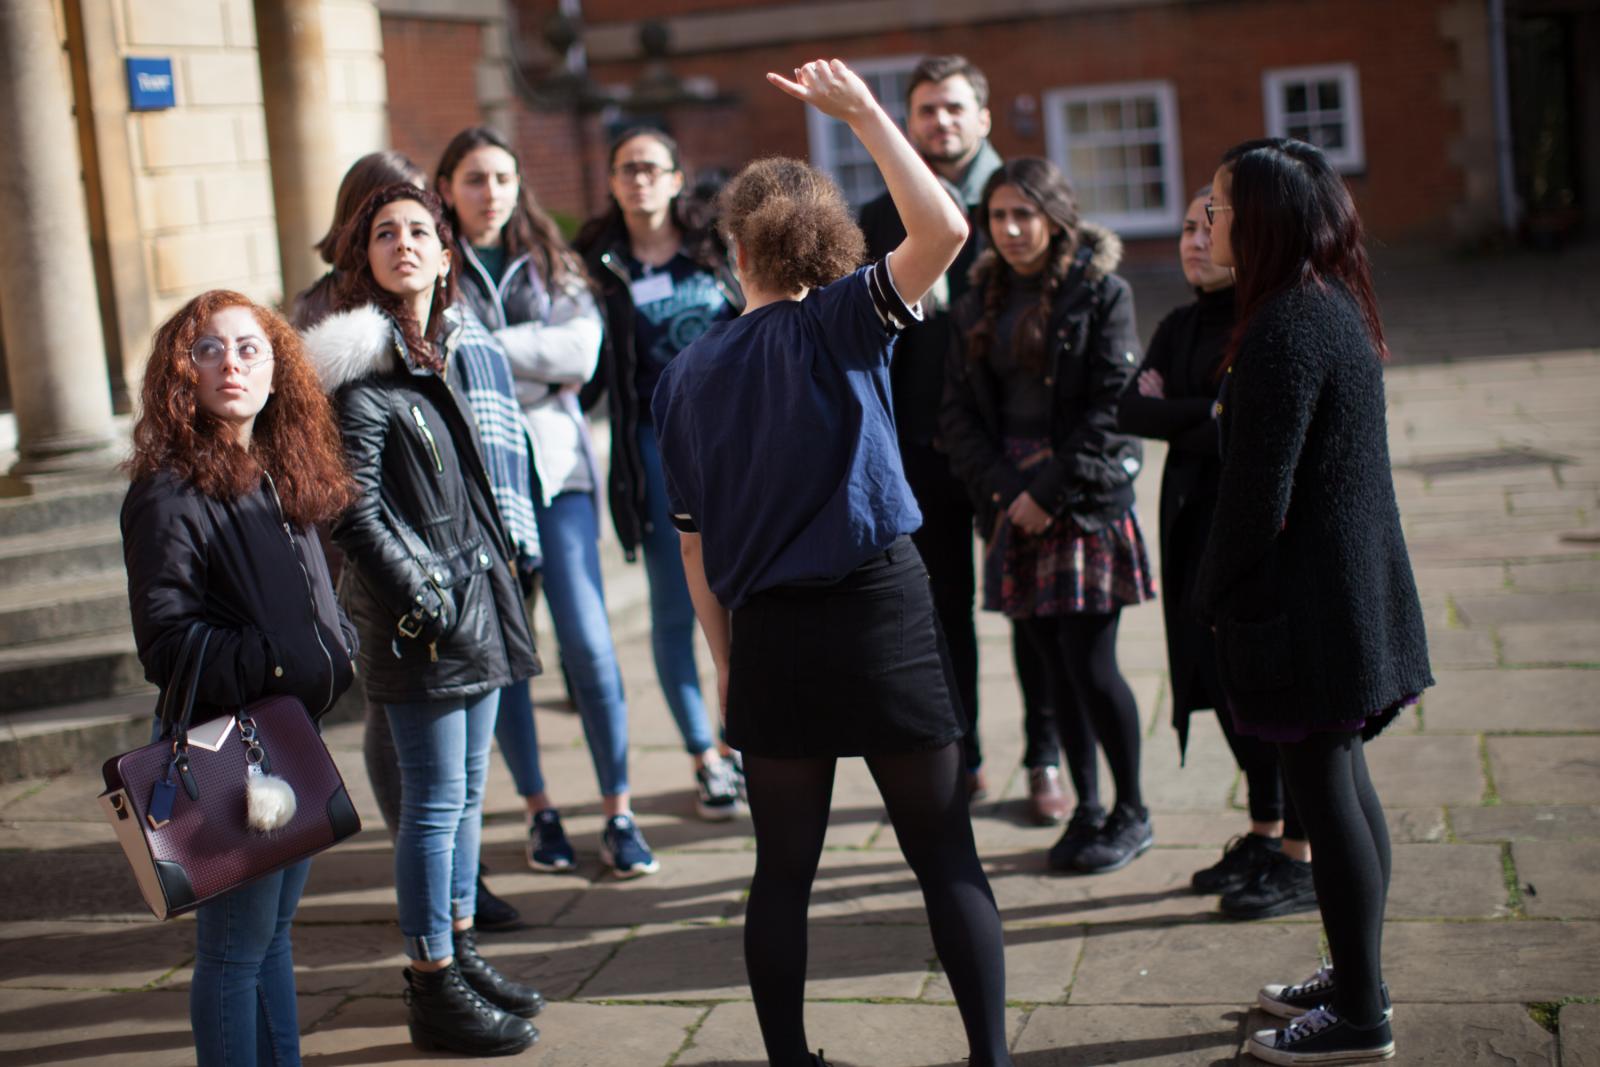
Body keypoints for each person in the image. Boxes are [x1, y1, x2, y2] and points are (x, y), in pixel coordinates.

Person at [654, 60, 1013, 1067]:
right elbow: (943, 230)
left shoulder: (684, 375)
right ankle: (990, 1056)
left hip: (767, 629)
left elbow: (693, 545)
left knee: (781, 872)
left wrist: (727, 663)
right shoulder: (845, 316)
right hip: (879, 612)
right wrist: (861, 115)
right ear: (829, 243)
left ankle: (790, 1061)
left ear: (736, 250)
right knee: (943, 854)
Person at [1194, 138, 1433, 1065]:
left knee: (1327, 798)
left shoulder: (1285, 328)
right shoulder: (1318, 304)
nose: (1208, 221)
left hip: (1315, 612)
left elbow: (1257, 496)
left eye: (1219, 208)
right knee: (1342, 789)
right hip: (1346, 598)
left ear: (1263, 222)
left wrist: (1211, 596)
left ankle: (1361, 1015)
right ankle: (1354, 975)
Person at [303, 184, 543, 1056]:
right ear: (360, 260)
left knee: (470, 796)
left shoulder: (438, 351)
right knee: (433, 808)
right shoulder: (360, 367)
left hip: (472, 606)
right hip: (423, 622)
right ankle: (432, 981)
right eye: (383, 233)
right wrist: (429, 595)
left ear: (448, 257)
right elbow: (352, 510)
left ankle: (462, 948)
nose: (402, 243)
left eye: (418, 232)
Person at [435, 126, 707, 880]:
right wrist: (525, 352)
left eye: (501, 178)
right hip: (471, 488)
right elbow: (435, 355)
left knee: (587, 642)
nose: (489, 193)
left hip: (558, 475)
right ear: (448, 188)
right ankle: (539, 807)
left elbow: (576, 355)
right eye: (473, 180)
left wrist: (482, 345)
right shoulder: (435, 264)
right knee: (509, 655)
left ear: (520, 187)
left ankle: (619, 811)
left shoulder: (556, 261)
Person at [122, 290, 359, 1066]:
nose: (232, 364)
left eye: (250, 349)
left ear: (275, 369)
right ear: (180, 373)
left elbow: (319, 590)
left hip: (289, 736)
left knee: (273, 937)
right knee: (232, 951)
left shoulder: (279, 469)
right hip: (228, 749)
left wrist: (336, 642)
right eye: (210, 349)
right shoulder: (167, 489)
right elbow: (166, 637)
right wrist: (283, 659)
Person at [857, 55, 1067, 820]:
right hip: (919, 449)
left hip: (1017, 448)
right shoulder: (879, 216)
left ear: (983, 117)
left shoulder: (1025, 200)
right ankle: (965, 755)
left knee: (1033, 610)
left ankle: (1045, 756)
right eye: (924, 110)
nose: (939, 123)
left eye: (953, 108)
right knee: (940, 611)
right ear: (907, 123)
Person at [942, 158, 1156, 875]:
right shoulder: (975, 302)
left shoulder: (1102, 292)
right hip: (1012, 501)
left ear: (1056, 218)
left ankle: (1132, 811)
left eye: (1023, 215)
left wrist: (1046, 492)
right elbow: (960, 416)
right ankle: (1088, 810)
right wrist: (1007, 490)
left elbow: (1112, 406)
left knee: (1092, 665)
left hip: (1079, 498)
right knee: (1050, 669)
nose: (1008, 229)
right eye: (997, 216)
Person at [1118, 188, 1316, 919]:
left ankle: (1302, 849)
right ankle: (1265, 831)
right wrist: (1208, 413)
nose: (1194, 242)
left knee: (1268, 687)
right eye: (1184, 231)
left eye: (1209, 228)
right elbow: (1127, 408)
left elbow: (1238, 426)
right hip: (1192, 523)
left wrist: (1196, 416)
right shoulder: (1177, 323)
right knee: (1223, 683)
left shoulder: (1260, 325)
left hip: (1252, 527)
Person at [573, 127, 748, 826]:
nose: (639, 179)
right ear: (613, 182)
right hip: (654, 448)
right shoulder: (597, 263)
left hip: (737, 442)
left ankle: (748, 739)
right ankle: (706, 755)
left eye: (651, 167)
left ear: (678, 177)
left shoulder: (717, 247)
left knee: (748, 596)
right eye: (626, 169)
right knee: (677, 609)